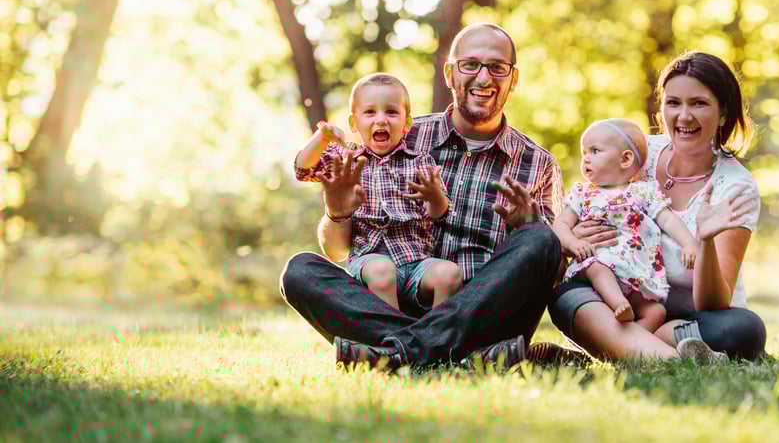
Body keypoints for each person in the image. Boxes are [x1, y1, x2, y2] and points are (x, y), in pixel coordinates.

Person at [280, 23, 574, 369]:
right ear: (450, 74)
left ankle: (397, 353)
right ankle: (452, 357)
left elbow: (549, 272)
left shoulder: (537, 162)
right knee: (299, 271)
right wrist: (337, 212)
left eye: (497, 67)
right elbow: (339, 251)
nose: (483, 77)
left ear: (513, 79)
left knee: (540, 238)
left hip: (484, 318)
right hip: (393, 300)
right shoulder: (398, 134)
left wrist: (527, 227)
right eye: (470, 64)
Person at [549, 51, 767, 362]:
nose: (684, 116)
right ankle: (676, 356)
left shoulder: (735, 187)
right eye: (673, 103)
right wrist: (579, 234)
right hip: (618, 301)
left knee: (745, 329)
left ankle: (640, 348)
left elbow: (713, 302)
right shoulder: (638, 154)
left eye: (699, 103)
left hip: (690, 317)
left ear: (722, 113)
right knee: (566, 297)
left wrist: (703, 240)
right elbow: (588, 204)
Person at [293, 73, 463, 312]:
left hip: (416, 262)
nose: (381, 120)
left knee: (449, 273)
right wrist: (322, 137)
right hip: (369, 261)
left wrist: (437, 199)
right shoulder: (346, 159)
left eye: (391, 112)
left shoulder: (419, 162)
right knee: (382, 270)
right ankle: (391, 341)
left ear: (407, 123)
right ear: (354, 123)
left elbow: (438, 214)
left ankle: (438, 341)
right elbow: (302, 169)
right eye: (370, 112)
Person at [552, 119, 697, 333]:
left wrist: (689, 244)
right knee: (598, 268)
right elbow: (561, 224)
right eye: (584, 153)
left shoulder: (644, 192)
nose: (586, 159)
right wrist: (572, 242)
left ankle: (632, 348)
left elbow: (668, 219)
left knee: (656, 312)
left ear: (626, 159)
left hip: (635, 273)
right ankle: (618, 302)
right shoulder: (584, 194)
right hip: (596, 263)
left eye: (594, 151)